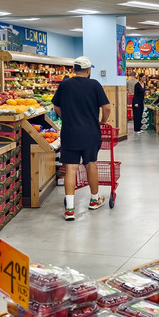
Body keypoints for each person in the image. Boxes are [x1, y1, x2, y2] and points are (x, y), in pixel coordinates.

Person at [52, 56, 112, 221]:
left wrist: (67, 118)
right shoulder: (94, 85)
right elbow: (106, 107)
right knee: (90, 164)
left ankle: (70, 209)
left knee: (70, 168)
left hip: (69, 132)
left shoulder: (64, 84)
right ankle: (94, 200)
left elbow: (56, 106)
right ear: (88, 70)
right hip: (90, 132)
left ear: (73, 69)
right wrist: (103, 121)